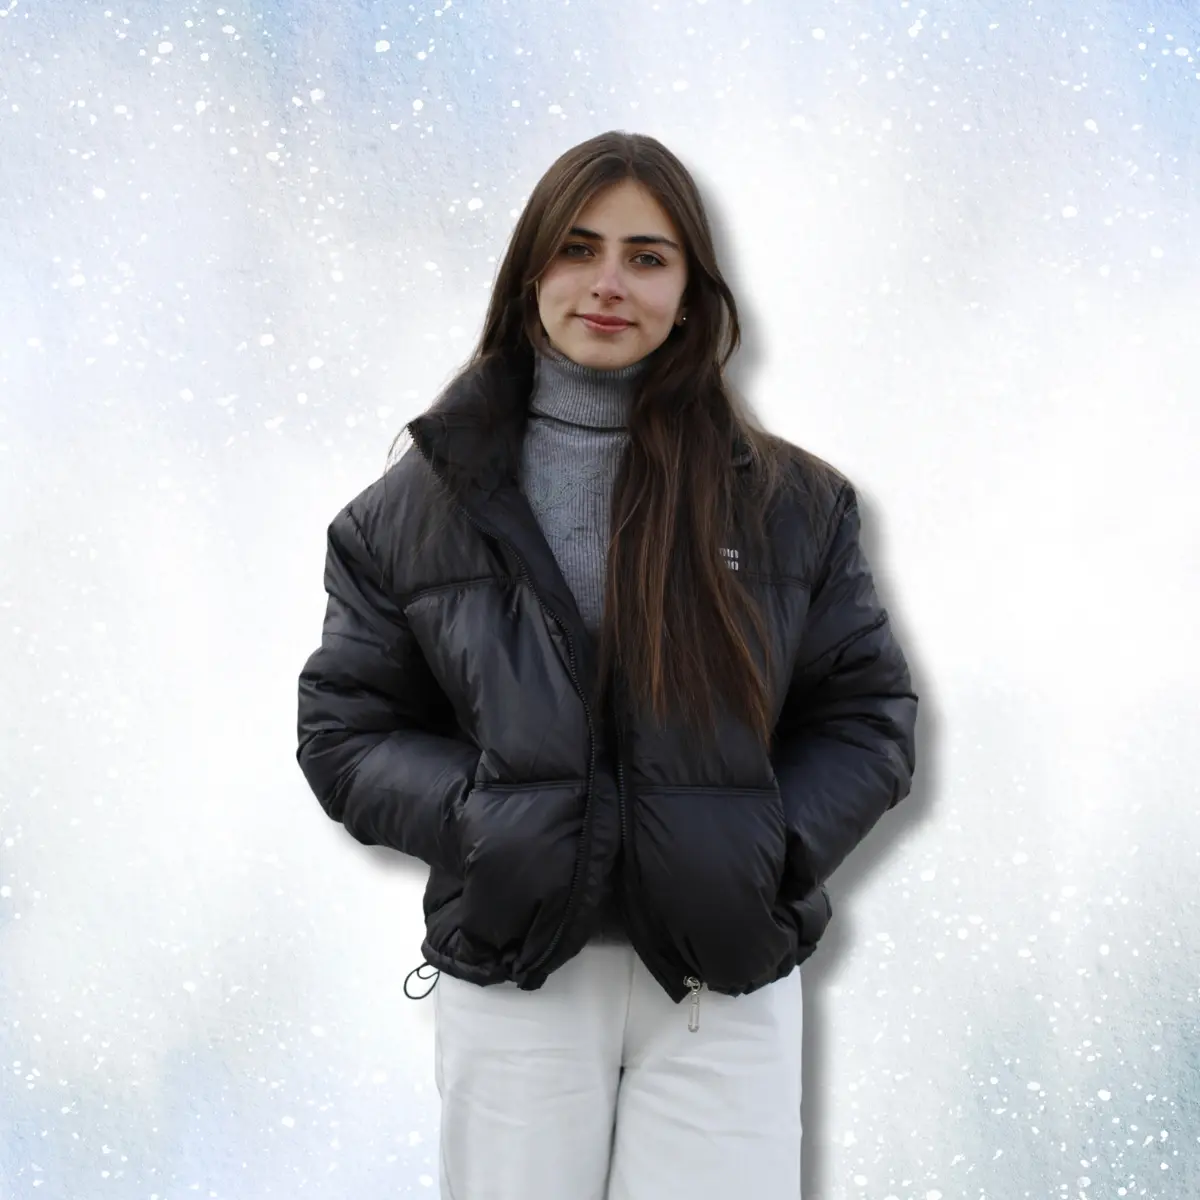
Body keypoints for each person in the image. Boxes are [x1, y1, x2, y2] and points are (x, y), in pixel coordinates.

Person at [296, 130, 918, 1200]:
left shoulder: (793, 506)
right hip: (520, 974)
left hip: (720, 984)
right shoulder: (405, 516)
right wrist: (495, 822)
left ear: (692, 289)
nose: (609, 283)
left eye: (648, 255)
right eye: (579, 249)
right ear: (530, 270)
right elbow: (346, 734)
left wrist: (763, 849)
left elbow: (866, 720)